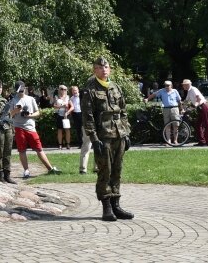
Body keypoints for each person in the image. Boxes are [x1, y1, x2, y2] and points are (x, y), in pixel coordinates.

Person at [81, 56, 133, 222]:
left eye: (106, 67)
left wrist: (126, 132)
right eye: (100, 67)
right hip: (103, 136)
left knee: (117, 170)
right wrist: (94, 139)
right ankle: (107, 207)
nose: (104, 69)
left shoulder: (115, 86)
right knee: (105, 171)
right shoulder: (90, 89)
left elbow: (123, 111)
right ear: (94, 70)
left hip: (119, 135)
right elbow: (87, 117)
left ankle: (116, 204)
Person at [10, 82, 61, 178]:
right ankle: (26, 171)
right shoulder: (13, 100)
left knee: (39, 148)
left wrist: (29, 115)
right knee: (22, 150)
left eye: (22, 90)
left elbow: (37, 112)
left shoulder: (31, 99)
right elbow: (10, 114)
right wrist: (16, 111)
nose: (20, 93)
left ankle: (50, 169)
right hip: (18, 127)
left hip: (31, 128)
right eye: (19, 91)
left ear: (25, 89)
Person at [144, 80, 183, 145]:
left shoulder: (175, 91)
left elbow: (179, 101)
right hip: (166, 109)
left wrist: (181, 109)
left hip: (175, 109)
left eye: (168, 85)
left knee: (175, 125)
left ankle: (175, 140)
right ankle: (168, 141)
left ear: (171, 86)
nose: (166, 87)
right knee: (167, 125)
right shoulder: (162, 91)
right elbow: (154, 95)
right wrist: (147, 99)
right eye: (165, 85)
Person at [182, 79, 208, 146]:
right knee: (198, 124)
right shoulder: (189, 91)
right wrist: (183, 109)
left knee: (206, 124)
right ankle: (202, 142)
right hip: (200, 108)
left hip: (203, 106)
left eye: (183, 85)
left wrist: (194, 106)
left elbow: (199, 99)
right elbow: (186, 101)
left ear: (187, 85)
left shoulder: (193, 89)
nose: (183, 86)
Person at [53, 85, 73, 149]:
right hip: (59, 115)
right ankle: (60, 144)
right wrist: (62, 106)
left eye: (65, 89)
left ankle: (68, 144)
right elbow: (54, 106)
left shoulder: (68, 97)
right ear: (59, 90)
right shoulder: (56, 97)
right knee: (59, 130)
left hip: (66, 115)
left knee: (67, 130)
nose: (63, 90)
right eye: (62, 89)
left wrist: (67, 112)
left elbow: (72, 107)